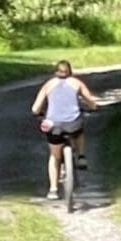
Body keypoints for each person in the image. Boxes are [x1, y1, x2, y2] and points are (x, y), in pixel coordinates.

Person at [31, 60, 98, 199]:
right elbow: (91, 102)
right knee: (79, 130)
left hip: (54, 125)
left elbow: (35, 108)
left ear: (55, 72)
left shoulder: (48, 85)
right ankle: (80, 156)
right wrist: (92, 107)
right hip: (73, 123)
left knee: (54, 157)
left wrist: (39, 114)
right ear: (70, 72)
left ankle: (53, 189)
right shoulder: (76, 83)